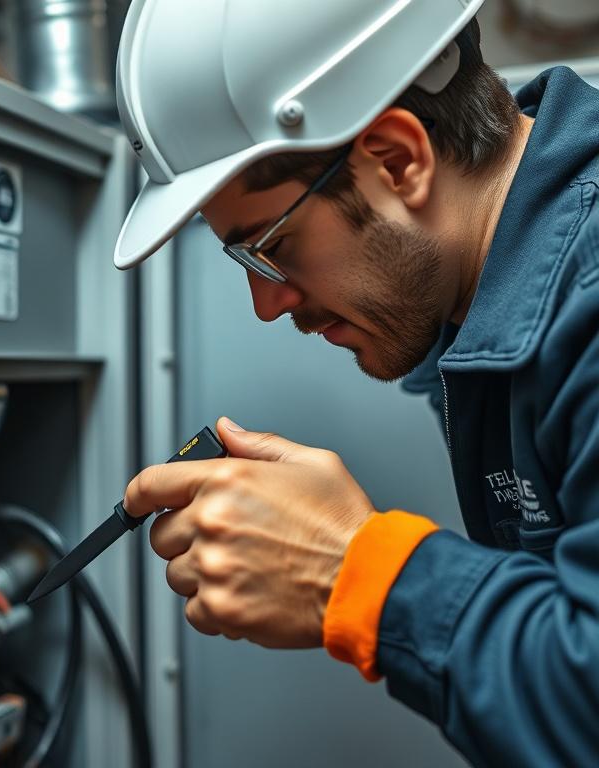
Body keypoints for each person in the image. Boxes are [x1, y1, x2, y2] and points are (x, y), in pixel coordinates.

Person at [113, 1, 599, 765]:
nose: (267, 303)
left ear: (400, 160)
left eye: (271, 247)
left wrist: (355, 569)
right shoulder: (484, 305)